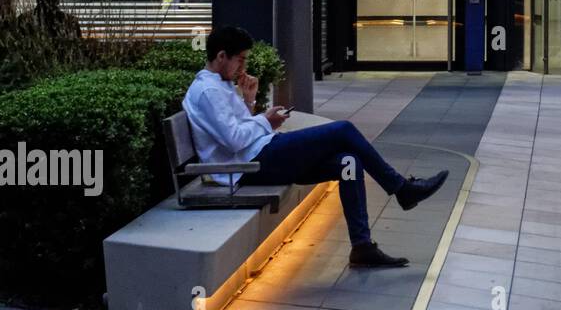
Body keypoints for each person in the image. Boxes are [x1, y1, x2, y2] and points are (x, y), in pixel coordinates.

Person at [183, 26, 448, 268]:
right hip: (250, 166)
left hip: (261, 155)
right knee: (343, 130)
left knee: (348, 162)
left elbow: (237, 131)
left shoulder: (220, 86)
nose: (244, 66)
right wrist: (265, 120)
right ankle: (402, 189)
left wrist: (250, 102)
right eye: (240, 59)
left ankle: (362, 247)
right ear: (221, 56)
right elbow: (235, 140)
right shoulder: (208, 91)